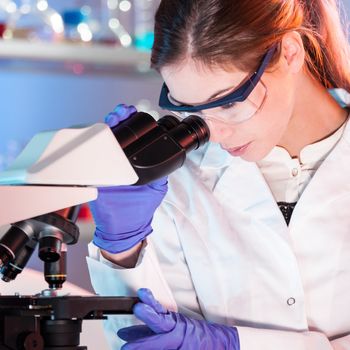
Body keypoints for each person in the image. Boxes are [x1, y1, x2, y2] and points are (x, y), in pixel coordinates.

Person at [87, 0, 350, 349]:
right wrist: (122, 250)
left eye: (228, 103)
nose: (216, 133)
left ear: (289, 53)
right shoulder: (174, 184)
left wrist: (238, 344)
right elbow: (141, 339)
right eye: (193, 111)